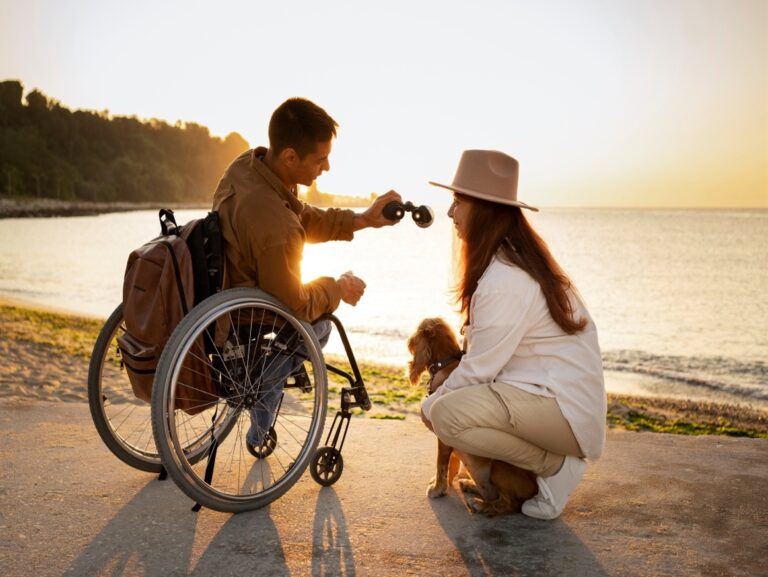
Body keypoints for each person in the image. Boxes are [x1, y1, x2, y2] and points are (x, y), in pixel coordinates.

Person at [421, 150, 606, 520]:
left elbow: (478, 371)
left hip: (563, 413)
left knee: (445, 415)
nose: (449, 213)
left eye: (458, 202)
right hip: (556, 404)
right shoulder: (509, 260)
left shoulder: (505, 277)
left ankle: (554, 467)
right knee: (448, 408)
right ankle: (535, 471)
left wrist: (430, 405)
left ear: (485, 210)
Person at [212, 97, 402, 449]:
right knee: (322, 323)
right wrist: (338, 288)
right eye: (320, 159)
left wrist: (363, 219)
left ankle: (266, 379)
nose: (327, 167)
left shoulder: (248, 166)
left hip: (225, 290)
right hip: (246, 313)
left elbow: (300, 217)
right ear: (289, 157)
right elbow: (295, 306)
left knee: (314, 301)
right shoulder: (274, 224)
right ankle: (264, 384)